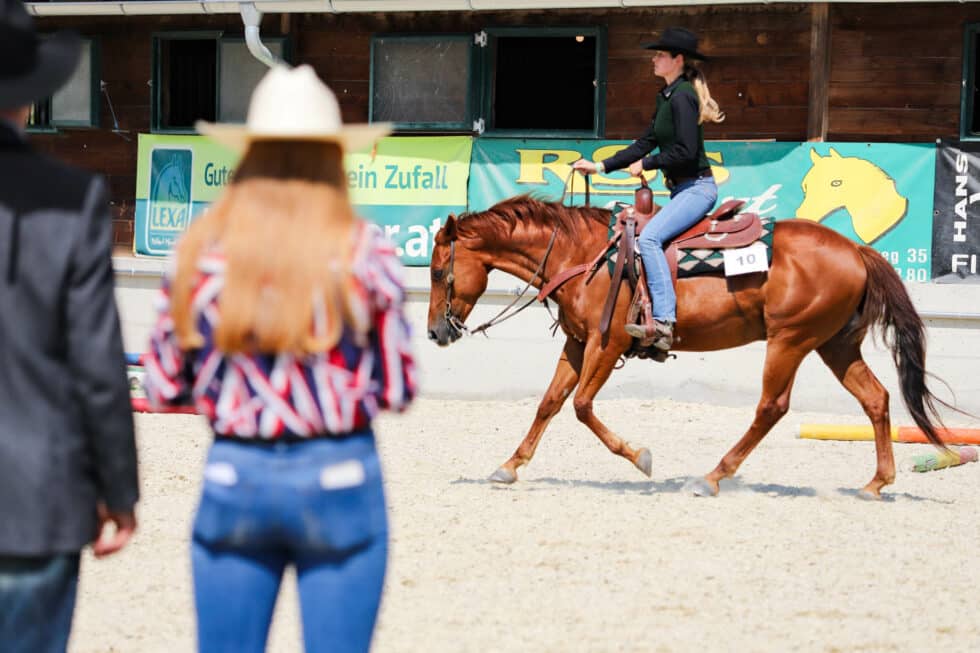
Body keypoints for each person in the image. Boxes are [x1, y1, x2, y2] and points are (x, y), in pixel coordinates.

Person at [142, 64, 416, 653]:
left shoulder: (200, 252)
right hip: (339, 470)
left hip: (236, 473)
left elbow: (163, 385)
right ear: (334, 158)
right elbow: (398, 387)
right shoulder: (366, 251)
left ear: (247, 158)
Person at [0, 1, 140, 651]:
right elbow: (96, 361)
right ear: (28, 97)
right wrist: (118, 487)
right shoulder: (72, 196)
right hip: (36, 498)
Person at [573, 27, 725, 351]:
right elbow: (645, 142)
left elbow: (685, 151)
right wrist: (600, 167)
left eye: (659, 54)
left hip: (697, 188)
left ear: (677, 60)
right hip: (681, 190)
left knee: (651, 238)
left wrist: (648, 164)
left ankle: (665, 322)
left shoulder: (683, 96)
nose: (654, 59)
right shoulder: (666, 96)